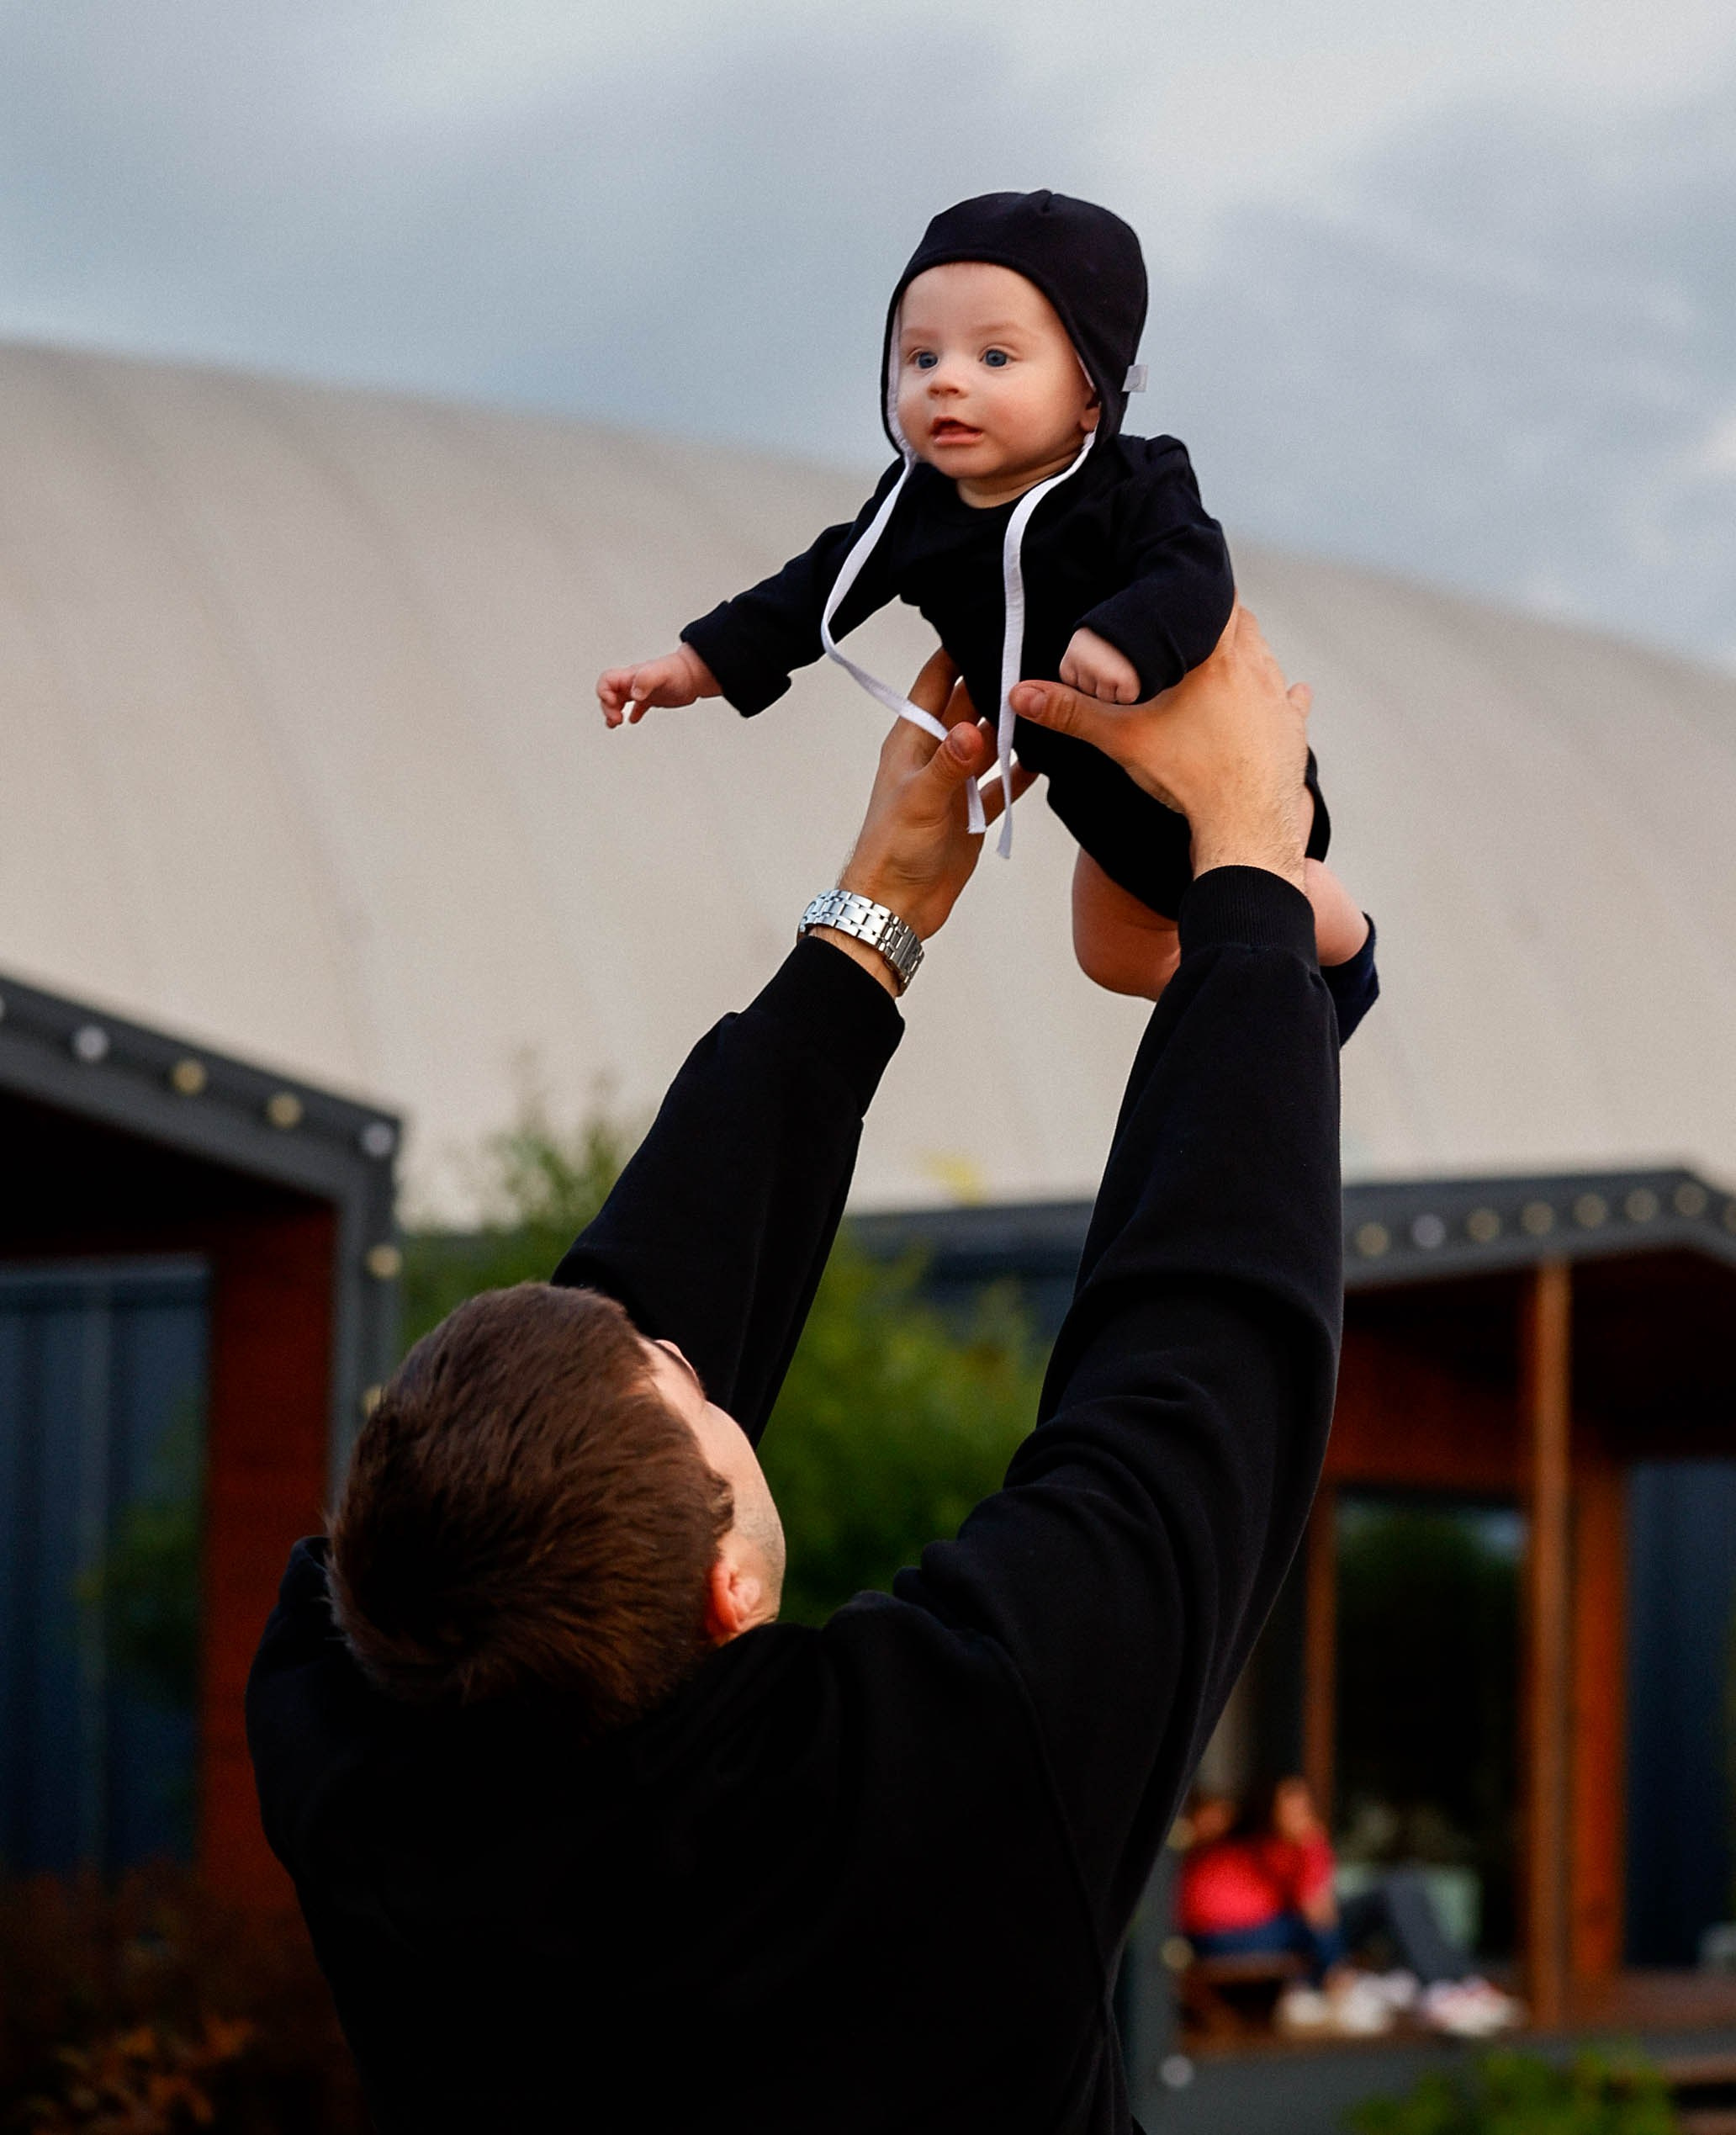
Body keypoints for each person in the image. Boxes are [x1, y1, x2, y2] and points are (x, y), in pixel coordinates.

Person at [248, 608, 1349, 2133]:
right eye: (693, 1395)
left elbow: (577, 1399)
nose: (689, 1343)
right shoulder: (933, 1793)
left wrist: (875, 913)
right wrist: (1244, 864)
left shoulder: (362, 1769)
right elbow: (1193, 1370)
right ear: (727, 1593)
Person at [596, 189, 1371, 1004]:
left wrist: (1129, 636)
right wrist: (697, 664)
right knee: (1110, 954)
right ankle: (1266, 1020)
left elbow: (1194, 568)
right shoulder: (913, 507)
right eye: (922, 358)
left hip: (1222, 770)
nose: (947, 384)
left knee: (1276, 899)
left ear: (1091, 391)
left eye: (994, 359)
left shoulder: (1136, 483)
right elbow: (816, 585)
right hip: (1101, 808)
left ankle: (1347, 961)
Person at [1179, 1776, 1523, 2038]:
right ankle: (1430, 1987)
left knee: (1401, 1886)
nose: (1299, 1815)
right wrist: (1312, 1845)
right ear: (1268, 1808)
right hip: (1230, 1937)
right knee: (1342, 1910)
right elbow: (1315, 1909)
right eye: (1289, 1806)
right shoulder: (1253, 1845)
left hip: (1265, 1930)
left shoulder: (1283, 1848)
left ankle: (1455, 1982)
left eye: (1303, 1806)